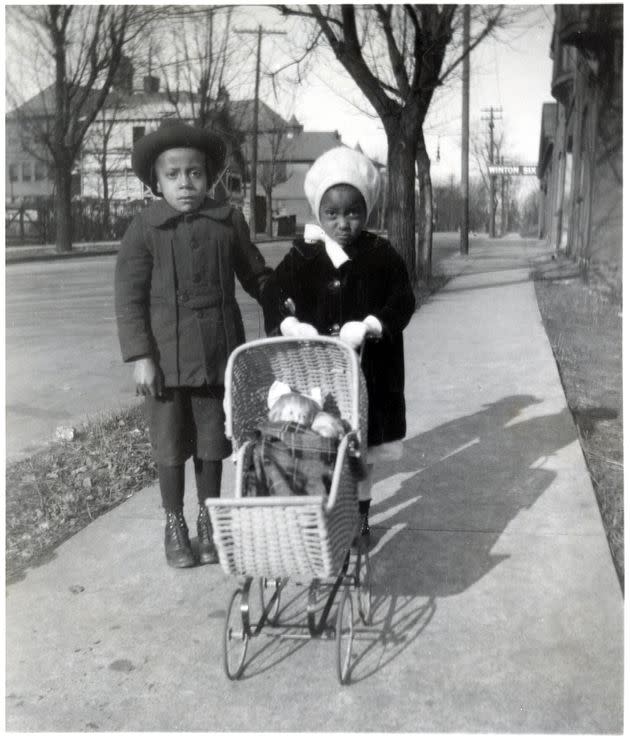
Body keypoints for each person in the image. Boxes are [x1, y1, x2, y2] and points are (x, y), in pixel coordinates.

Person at [115, 120, 272, 569]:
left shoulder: (227, 222)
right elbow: (128, 296)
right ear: (156, 182)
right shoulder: (145, 228)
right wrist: (141, 356)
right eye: (173, 175)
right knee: (169, 443)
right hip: (165, 358)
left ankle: (208, 521)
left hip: (217, 353)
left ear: (210, 177)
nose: (186, 183)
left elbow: (255, 274)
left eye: (195, 174)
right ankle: (173, 523)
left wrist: (281, 299)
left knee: (212, 441)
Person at [262, 146, 416, 540]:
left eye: (353, 212)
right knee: (321, 440)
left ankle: (361, 514)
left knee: (362, 450)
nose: (343, 223)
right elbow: (274, 291)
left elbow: (402, 299)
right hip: (319, 375)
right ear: (319, 212)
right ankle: (322, 511)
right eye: (332, 213)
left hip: (370, 372)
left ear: (367, 212)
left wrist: (372, 324)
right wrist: (289, 321)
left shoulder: (380, 255)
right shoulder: (304, 254)